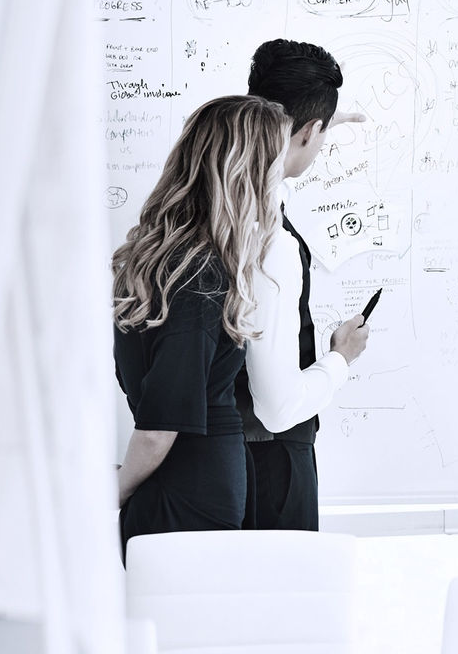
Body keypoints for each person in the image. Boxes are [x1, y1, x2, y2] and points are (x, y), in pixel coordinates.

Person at [112, 95, 290, 561]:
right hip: (186, 496)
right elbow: (158, 430)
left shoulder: (172, 264)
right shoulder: (200, 273)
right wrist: (113, 493)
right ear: (246, 174)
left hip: (185, 490)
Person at [236, 39, 368, 531]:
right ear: (310, 131)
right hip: (270, 467)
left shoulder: (222, 201)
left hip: (219, 458)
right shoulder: (270, 235)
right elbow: (277, 407)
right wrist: (341, 359)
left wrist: (317, 128)